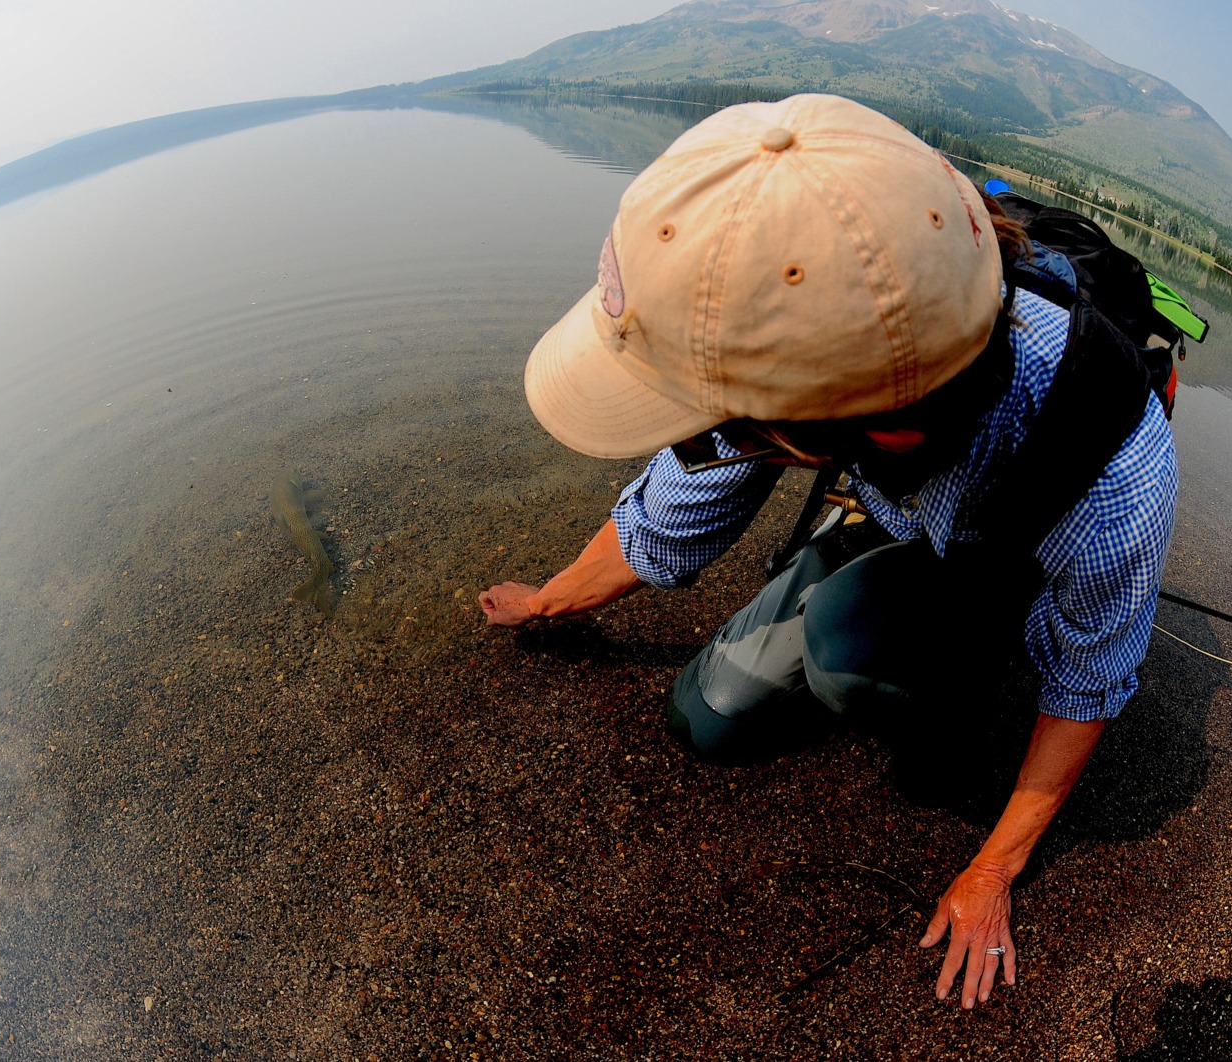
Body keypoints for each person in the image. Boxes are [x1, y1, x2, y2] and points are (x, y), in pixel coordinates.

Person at [480, 94, 1176, 1011]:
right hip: (898, 487)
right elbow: (672, 512)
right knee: (708, 716)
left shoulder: (1112, 475)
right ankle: (862, 543)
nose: (705, 444)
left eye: (718, 430)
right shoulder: (803, 332)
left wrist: (992, 869)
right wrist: (549, 602)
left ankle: (964, 633)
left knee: (851, 657)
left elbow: (1088, 684)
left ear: (854, 428)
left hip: (1006, 538)